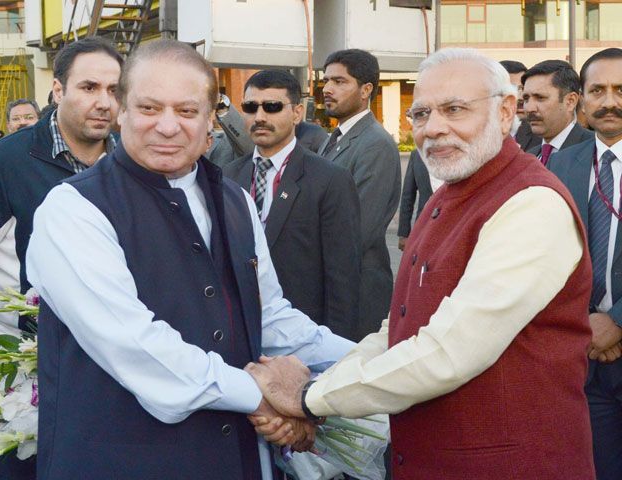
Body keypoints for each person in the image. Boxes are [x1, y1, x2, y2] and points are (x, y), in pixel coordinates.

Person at [246, 47, 595, 480]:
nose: (434, 129)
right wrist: (322, 392)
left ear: (506, 112)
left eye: (455, 110)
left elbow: (448, 352)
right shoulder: (451, 194)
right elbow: (398, 329)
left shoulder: (531, 204)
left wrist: (308, 398)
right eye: (421, 114)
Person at [26, 39, 353, 480]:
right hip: (121, 461)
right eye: (148, 108)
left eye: (186, 111)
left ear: (210, 120)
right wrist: (267, 395)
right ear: (121, 111)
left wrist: (370, 364)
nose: (166, 127)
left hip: (236, 457)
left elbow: (269, 316)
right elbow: (134, 345)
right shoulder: (72, 209)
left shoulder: (235, 199)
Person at [0, 37, 122, 479]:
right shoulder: (5, 161)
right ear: (58, 91)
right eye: (89, 87)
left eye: (114, 90)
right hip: (24, 370)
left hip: (111, 365)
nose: (103, 102)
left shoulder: (130, 163)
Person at [224, 69, 360, 338]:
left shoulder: (330, 180)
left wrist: (332, 350)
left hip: (304, 333)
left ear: (297, 113)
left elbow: (342, 278)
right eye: (251, 107)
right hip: (240, 329)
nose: (260, 117)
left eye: (272, 107)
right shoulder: (227, 176)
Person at [547, 47, 622, 480]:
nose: (609, 100)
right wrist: (590, 323)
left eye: (620, 89)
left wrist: (618, 321)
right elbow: (551, 254)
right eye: (598, 90)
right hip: (586, 359)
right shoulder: (562, 163)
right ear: (581, 98)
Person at [318, 48, 401, 342]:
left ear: (366, 90)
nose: (327, 89)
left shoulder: (375, 144)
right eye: (326, 80)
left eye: (340, 82)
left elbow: (359, 228)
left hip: (357, 290)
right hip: (332, 285)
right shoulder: (335, 138)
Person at [522, 59, 593, 164]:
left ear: (570, 101)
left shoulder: (595, 151)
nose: (529, 108)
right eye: (526, 99)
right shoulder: (529, 157)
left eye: (540, 98)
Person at [499, 60, 541, 151]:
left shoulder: (541, 135)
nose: (521, 97)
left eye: (523, 88)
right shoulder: (481, 135)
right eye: (512, 89)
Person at [397, 149, 434, 251]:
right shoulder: (417, 155)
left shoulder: (457, 153)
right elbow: (408, 196)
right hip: (423, 227)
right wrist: (404, 233)